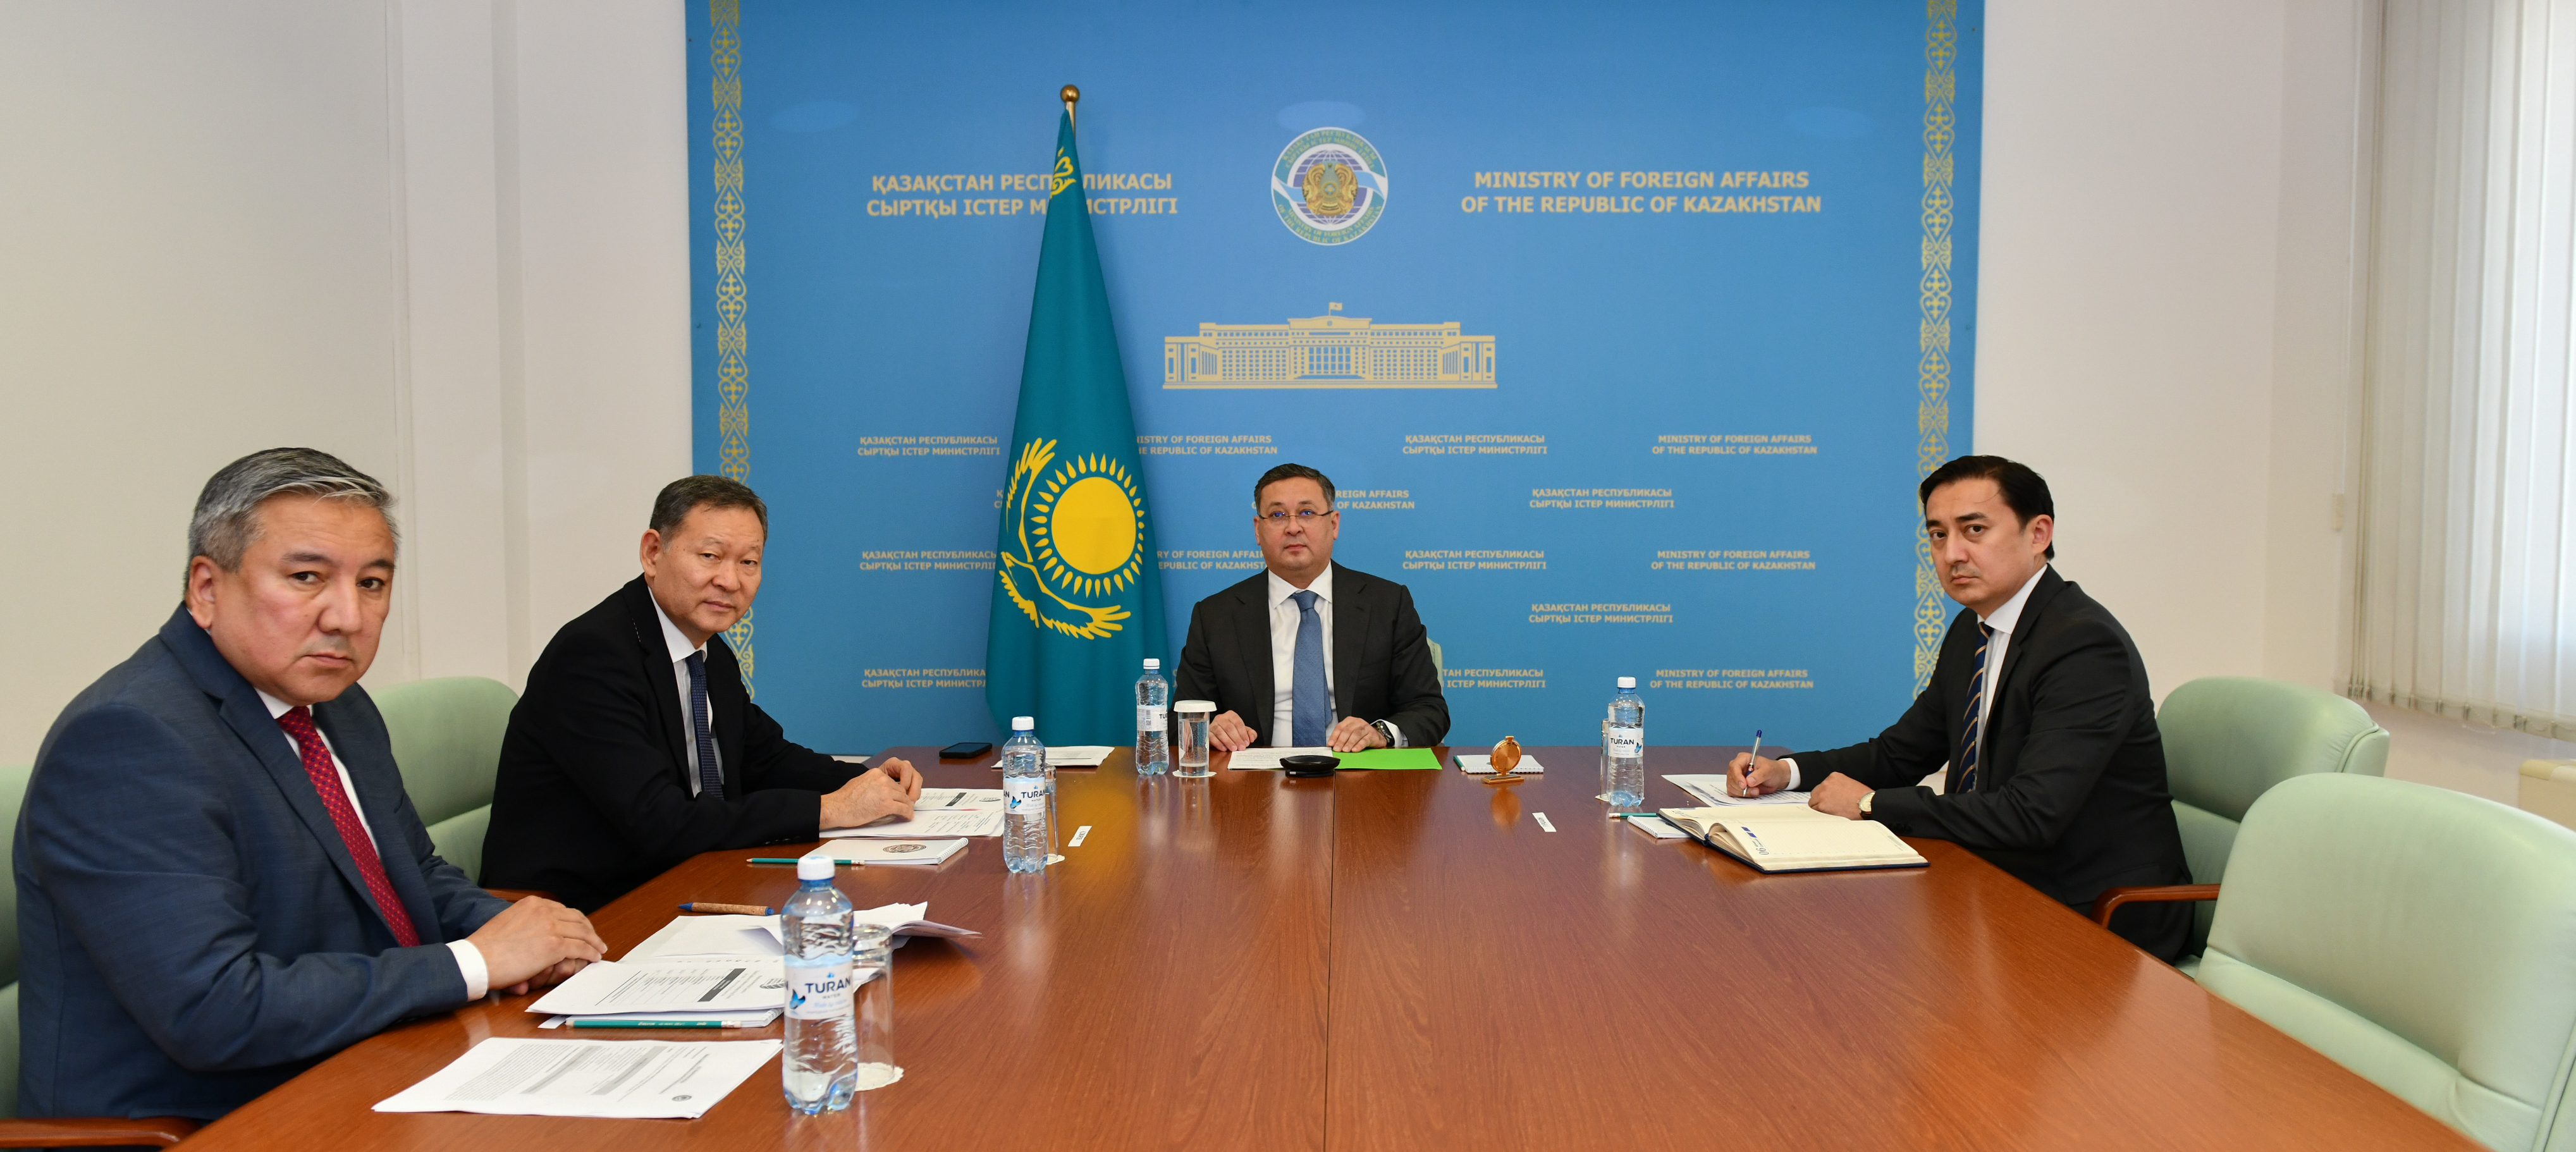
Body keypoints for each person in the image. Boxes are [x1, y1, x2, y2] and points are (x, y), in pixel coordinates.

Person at [16, 448, 606, 1122]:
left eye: (373, 583)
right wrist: (473, 963)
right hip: (211, 1122)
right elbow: (214, 1010)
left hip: (366, 1064)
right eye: (306, 577)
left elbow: (409, 872)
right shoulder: (129, 739)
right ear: (206, 588)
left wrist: (522, 934)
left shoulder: (334, 703)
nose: (348, 617)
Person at [1726, 455, 2195, 960]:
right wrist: (1787, 773)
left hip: (2096, 913)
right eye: (1938, 535)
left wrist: (1870, 805)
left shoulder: (2083, 645)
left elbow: (2032, 814)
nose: (1952, 554)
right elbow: (1901, 753)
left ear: (2038, 534)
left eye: (1974, 530)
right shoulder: (1973, 629)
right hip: (1998, 882)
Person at [482, 475, 921, 911]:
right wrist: (829, 809)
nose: (729, 580)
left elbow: (765, 757)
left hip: (683, 877)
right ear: (653, 553)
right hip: (581, 909)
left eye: (748, 562)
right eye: (710, 556)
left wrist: (868, 781)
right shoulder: (592, 656)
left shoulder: (707, 651)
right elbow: (660, 821)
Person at [1175, 463, 1449, 753]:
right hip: (1256, 773)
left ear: (1334, 524)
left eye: (1307, 513)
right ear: (1258, 530)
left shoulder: (1387, 604)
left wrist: (1380, 733)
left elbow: (1429, 709)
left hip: (1360, 771)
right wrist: (1209, 726)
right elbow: (1179, 718)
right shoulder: (1216, 616)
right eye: (1278, 515)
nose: (1293, 527)